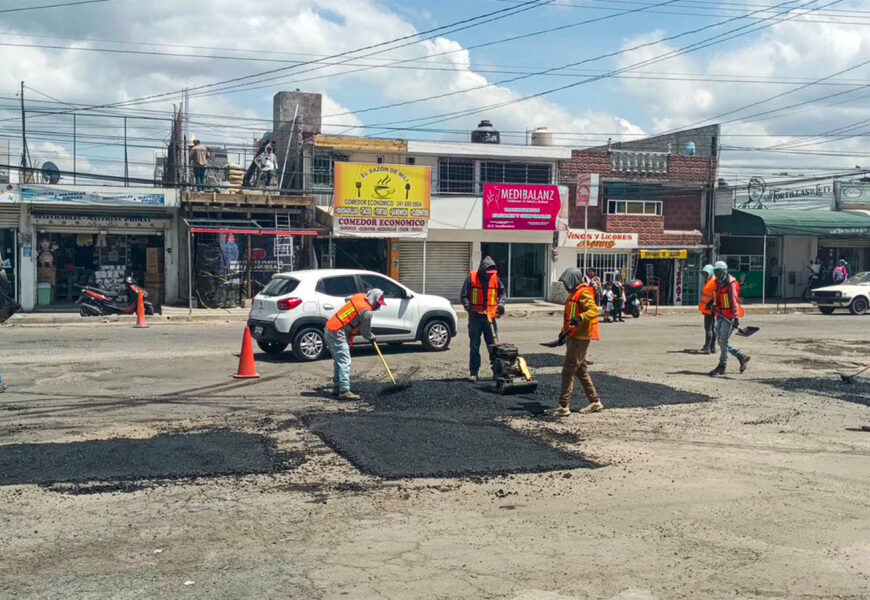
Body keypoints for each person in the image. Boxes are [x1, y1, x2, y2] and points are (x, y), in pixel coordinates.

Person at [554, 268, 603, 417]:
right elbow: (570, 317)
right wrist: (563, 332)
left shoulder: (583, 293)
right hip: (573, 336)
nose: (564, 285)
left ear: (572, 280)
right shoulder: (573, 294)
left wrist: (581, 317)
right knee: (581, 371)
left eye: (565, 282)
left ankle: (563, 406)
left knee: (568, 371)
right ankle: (595, 402)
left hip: (579, 339)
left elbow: (594, 310)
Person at [324, 288, 386, 400]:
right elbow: (365, 331)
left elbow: (347, 299)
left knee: (339, 361)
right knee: (344, 360)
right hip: (337, 331)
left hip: (330, 328)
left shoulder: (359, 296)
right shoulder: (367, 312)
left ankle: (338, 386)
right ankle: (344, 390)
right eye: (378, 303)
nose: (378, 306)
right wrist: (371, 337)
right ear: (374, 299)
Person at [460, 256, 506, 382]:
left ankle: (496, 372)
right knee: (475, 345)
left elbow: (502, 293)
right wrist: (470, 309)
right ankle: (474, 373)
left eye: (491, 274)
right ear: (483, 270)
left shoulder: (495, 278)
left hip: (489, 319)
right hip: (475, 319)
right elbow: (464, 296)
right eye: (488, 274)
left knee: (493, 346)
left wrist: (501, 305)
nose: (490, 276)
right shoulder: (472, 277)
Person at [708, 261, 750, 377]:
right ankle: (741, 356)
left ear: (724, 271)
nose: (716, 273)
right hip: (720, 315)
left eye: (718, 271)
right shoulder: (717, 282)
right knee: (721, 342)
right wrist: (711, 303)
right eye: (715, 271)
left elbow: (734, 301)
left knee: (722, 341)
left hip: (729, 317)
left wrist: (736, 318)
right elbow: (717, 297)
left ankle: (722, 366)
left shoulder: (731, 283)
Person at [698, 264, 717, 354]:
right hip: (708, 308)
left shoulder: (713, 281)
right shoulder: (709, 281)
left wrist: (712, 304)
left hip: (710, 308)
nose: (704, 275)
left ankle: (708, 347)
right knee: (711, 328)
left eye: (706, 273)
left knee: (708, 328)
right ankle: (711, 347)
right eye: (703, 273)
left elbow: (715, 295)